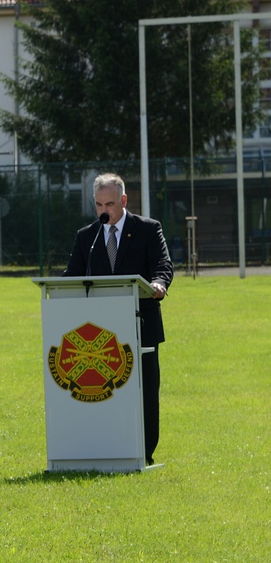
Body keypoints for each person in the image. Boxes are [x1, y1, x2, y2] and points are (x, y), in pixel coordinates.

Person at [62, 173, 173, 465]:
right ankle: (106, 448)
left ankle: (144, 454)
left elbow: (162, 265)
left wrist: (159, 283)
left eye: (109, 204)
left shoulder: (148, 229)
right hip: (98, 331)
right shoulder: (88, 236)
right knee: (103, 390)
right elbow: (72, 276)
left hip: (141, 325)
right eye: (98, 204)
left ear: (123, 201)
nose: (103, 211)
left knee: (145, 391)